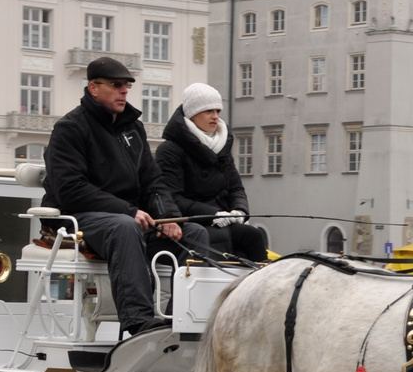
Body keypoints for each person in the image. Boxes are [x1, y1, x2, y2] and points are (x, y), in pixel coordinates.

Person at [42, 57, 214, 337]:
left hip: (127, 218)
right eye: (116, 85)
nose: (124, 91)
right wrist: (127, 210)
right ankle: (138, 322)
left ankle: (182, 319)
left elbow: (152, 181)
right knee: (125, 227)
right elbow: (70, 189)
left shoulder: (133, 128)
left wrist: (169, 218)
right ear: (93, 88)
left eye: (127, 86)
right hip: (80, 218)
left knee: (194, 233)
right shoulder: (70, 128)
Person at [155, 83, 268, 263]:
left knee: (253, 235)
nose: (215, 116)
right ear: (192, 114)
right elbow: (173, 198)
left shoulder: (222, 146)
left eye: (218, 110)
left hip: (222, 220)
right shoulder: (170, 150)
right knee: (213, 237)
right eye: (208, 111)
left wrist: (239, 210)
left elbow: (236, 188)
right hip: (193, 222)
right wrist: (213, 214)